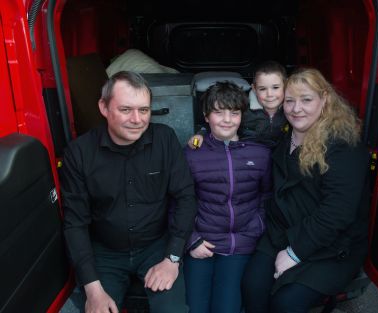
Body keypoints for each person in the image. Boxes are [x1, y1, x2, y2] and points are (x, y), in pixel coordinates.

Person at [61, 71, 197, 313]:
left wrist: (172, 259)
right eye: (126, 110)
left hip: (157, 248)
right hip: (105, 253)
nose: (137, 119)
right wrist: (92, 290)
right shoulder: (79, 153)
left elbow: (186, 197)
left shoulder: (164, 139)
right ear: (103, 107)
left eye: (144, 110)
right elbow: (75, 223)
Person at [242, 68, 370, 313]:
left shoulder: (343, 145)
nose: (296, 108)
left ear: (325, 99)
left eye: (306, 100)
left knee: (286, 303)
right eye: (290, 101)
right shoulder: (286, 134)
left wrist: (294, 253)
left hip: (331, 244)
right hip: (282, 229)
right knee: (252, 286)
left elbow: (338, 213)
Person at [183, 82, 272, 313]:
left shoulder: (260, 154)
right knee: (195, 308)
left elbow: (267, 195)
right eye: (218, 112)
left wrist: (257, 226)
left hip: (240, 245)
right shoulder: (192, 154)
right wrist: (191, 239)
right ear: (206, 116)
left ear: (242, 116)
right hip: (201, 244)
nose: (227, 120)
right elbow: (179, 201)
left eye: (234, 113)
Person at [188, 60, 289, 148]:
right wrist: (199, 137)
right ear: (254, 89)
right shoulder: (242, 108)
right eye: (262, 89)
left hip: (280, 159)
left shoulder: (291, 109)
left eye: (275, 88)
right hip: (250, 159)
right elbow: (211, 125)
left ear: (285, 85)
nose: (269, 94)